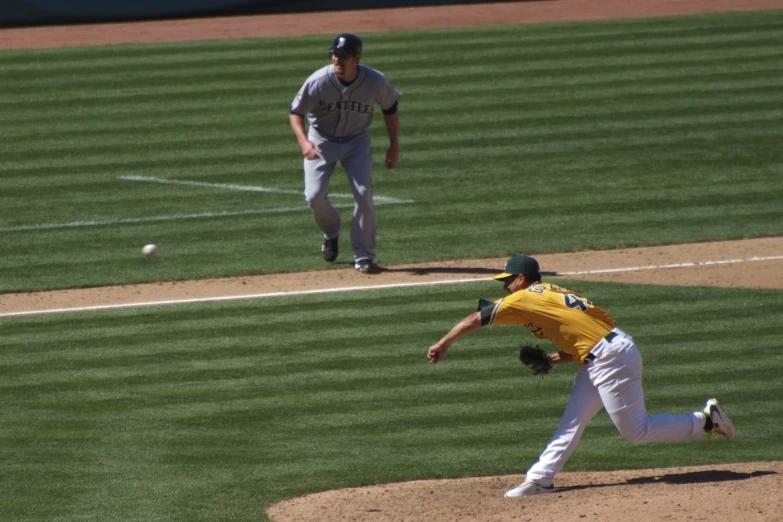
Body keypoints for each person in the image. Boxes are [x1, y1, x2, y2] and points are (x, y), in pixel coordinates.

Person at [427, 254, 737, 497]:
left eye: (508, 281)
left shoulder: (523, 297)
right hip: (607, 354)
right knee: (572, 420)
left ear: (521, 279)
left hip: (610, 359)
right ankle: (541, 480)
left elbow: (476, 317)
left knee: (637, 432)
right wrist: (552, 358)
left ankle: (705, 420)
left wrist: (443, 343)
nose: (504, 287)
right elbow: (589, 335)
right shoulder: (551, 294)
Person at [289, 33, 402, 274]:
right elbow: (295, 112)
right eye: (334, 54)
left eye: (343, 56)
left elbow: (390, 109)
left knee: (363, 195)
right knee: (313, 195)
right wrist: (304, 142)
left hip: (356, 142)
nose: (337, 59)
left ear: (357, 58)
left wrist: (394, 146)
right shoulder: (318, 80)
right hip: (321, 140)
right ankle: (331, 232)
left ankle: (364, 256)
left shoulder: (375, 81)